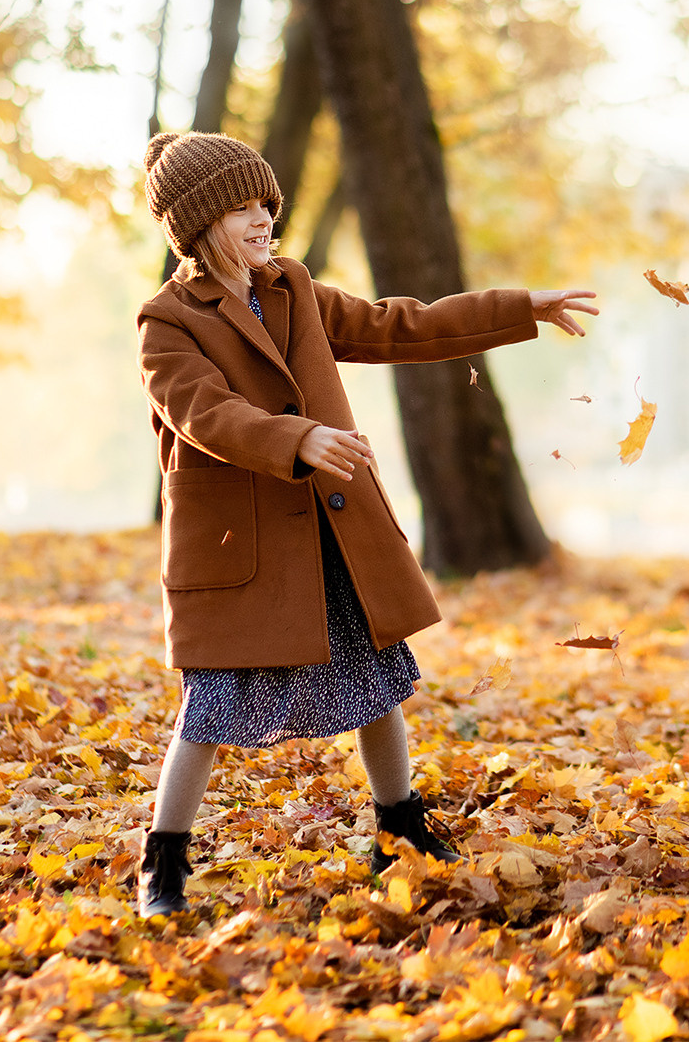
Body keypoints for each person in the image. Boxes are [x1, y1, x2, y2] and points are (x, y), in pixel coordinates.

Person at [132, 130, 598, 916]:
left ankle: (399, 832)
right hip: (242, 545)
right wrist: (297, 439)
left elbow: (398, 325)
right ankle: (163, 864)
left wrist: (522, 307)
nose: (263, 219)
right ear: (200, 223)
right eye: (242, 208)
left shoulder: (292, 286)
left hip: (330, 526)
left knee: (376, 679)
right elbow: (203, 412)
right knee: (209, 707)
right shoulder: (167, 320)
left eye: (266, 204)